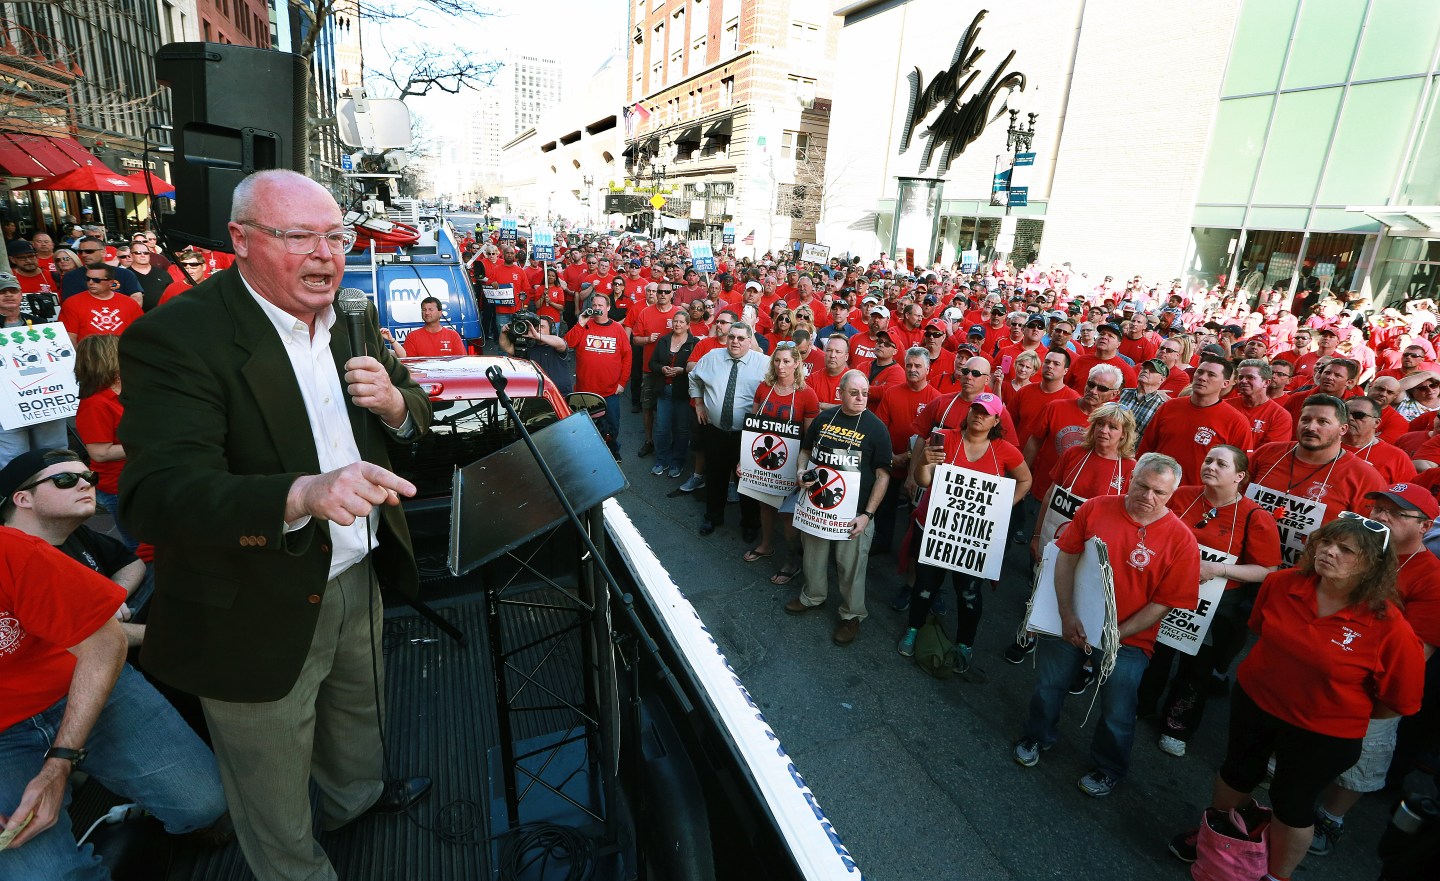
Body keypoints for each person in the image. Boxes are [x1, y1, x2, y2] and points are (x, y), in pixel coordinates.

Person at [117, 169, 435, 881]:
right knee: (272, 782)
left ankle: (358, 801)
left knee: (359, 717)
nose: (325, 254)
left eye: (334, 236)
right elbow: (156, 496)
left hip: (359, 571)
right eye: (298, 236)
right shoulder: (177, 338)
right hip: (251, 599)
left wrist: (394, 405)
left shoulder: (351, 316)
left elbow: (410, 408)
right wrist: (301, 494)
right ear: (240, 240)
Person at [0, 459, 230, 876]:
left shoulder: (11, 550)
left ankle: (120, 807)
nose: (85, 485)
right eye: (68, 479)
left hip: (77, 682)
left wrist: (59, 763)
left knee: (204, 806)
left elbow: (104, 640)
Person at [1168, 517, 1425, 881]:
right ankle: (1217, 839)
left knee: (1292, 804)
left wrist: (1334, 706)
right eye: (1326, 542)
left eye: (1346, 549)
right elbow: (1260, 629)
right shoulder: (1280, 583)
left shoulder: (1391, 627)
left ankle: (1277, 875)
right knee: (1236, 773)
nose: (1328, 552)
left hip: (1323, 732)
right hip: (1256, 702)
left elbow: (1399, 700)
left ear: (1371, 565)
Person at [1013, 453, 1200, 798]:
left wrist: (1114, 634)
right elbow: (1066, 557)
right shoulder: (1097, 507)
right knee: (1048, 685)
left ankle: (1109, 767)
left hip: (1129, 642)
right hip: (1072, 624)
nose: (1148, 497)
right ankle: (1037, 735)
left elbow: (1164, 602)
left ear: (1172, 494)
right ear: (1131, 478)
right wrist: (1067, 614)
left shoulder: (1182, 540)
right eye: (1142, 486)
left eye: (1159, 492)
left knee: (1117, 708)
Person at [1307, 484, 1440, 855]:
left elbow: (1418, 653)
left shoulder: (1432, 576)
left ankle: (1331, 818)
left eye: (1396, 514)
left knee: (1364, 758)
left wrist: (1372, 688)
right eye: (1378, 508)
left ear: (1425, 527)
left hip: (1373, 685)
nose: (1380, 516)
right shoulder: (1352, 548)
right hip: (1318, 665)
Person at [1137, 445, 1282, 757]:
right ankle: (1141, 705)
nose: (1211, 466)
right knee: (1152, 652)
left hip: (1214, 606)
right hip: (1163, 592)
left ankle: (1177, 726)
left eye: (1221, 463)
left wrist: (1217, 569)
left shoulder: (1256, 517)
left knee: (1196, 670)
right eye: (1208, 460)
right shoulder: (1180, 495)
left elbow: (1268, 570)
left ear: (1240, 476)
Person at [897, 392, 1031, 676]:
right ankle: (913, 629)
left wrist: (1004, 504)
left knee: (968, 594)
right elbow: (924, 480)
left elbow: (1025, 479)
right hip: (935, 528)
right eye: (975, 409)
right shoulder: (945, 437)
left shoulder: (1005, 450)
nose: (979, 415)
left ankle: (965, 644)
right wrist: (922, 462)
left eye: (986, 412)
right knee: (924, 585)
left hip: (973, 537)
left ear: (997, 419)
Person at [784, 370, 892, 646]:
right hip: (818, 507)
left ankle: (852, 615)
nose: (860, 398)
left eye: (865, 393)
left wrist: (867, 516)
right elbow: (806, 452)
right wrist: (799, 471)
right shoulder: (823, 418)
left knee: (851, 567)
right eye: (854, 392)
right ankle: (813, 596)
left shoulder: (876, 428)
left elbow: (883, 476)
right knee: (813, 557)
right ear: (839, 393)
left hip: (854, 513)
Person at [1, 448, 147, 646]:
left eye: (90, 477)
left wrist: (111, 596)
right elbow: (92, 639)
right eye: (65, 479)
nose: (86, 484)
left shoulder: (65, 530)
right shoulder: (18, 562)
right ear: (24, 499)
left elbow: (131, 563)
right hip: (72, 661)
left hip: (108, 632)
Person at [744, 343, 819, 580]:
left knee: (788, 515)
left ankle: (793, 558)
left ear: (797, 363)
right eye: (777, 361)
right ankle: (766, 545)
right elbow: (753, 430)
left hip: (792, 462)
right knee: (765, 504)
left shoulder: (807, 394)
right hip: (765, 461)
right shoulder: (764, 387)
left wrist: (803, 468)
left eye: (787, 361)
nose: (781, 366)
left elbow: (810, 439)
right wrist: (744, 461)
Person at [689, 321, 768, 539]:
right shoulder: (712, 357)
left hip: (747, 435)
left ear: (750, 341)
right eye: (732, 336)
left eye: (741, 338)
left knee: (747, 482)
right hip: (715, 431)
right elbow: (693, 377)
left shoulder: (764, 363)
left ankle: (750, 524)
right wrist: (698, 403)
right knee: (715, 476)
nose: (735, 341)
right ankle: (713, 517)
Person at [1138, 355, 1250, 482]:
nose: (1202, 378)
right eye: (1200, 372)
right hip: (1155, 487)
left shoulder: (1236, 422)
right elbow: (1146, 448)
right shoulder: (1170, 406)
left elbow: (1240, 470)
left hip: (1197, 496)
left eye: (1211, 375)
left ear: (1225, 383)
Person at [73, 334, 137, 551]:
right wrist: (148, 443)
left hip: (135, 476)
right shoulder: (95, 404)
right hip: (120, 485)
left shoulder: (124, 391)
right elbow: (99, 453)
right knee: (139, 544)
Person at [566, 290, 631, 459]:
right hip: (584, 389)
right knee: (585, 426)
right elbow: (569, 343)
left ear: (608, 307)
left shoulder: (617, 328)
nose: (596, 308)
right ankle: (587, 454)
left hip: (609, 391)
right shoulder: (585, 324)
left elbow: (627, 356)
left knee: (612, 426)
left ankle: (612, 452)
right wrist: (580, 323)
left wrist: (622, 382)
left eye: (600, 305)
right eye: (593, 305)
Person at [650, 309, 699, 479]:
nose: (677, 324)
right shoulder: (664, 340)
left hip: (683, 393)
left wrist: (682, 370)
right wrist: (661, 369)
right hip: (664, 391)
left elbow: (699, 368)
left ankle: (678, 461)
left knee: (681, 430)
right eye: (675, 321)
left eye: (681, 322)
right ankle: (661, 459)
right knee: (662, 428)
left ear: (687, 325)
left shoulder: (695, 343)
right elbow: (652, 363)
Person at [1341, 394, 1416, 485]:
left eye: (1359, 415)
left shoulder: (1396, 457)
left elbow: (1408, 493)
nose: (1349, 418)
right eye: (1345, 413)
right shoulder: (1324, 446)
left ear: (1376, 423)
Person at [59, 264, 144, 344]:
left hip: (121, 354)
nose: (91, 283)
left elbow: (139, 334)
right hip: (88, 356)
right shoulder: (72, 303)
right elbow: (69, 338)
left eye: (96, 280)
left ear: (111, 283)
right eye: (88, 279)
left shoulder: (129, 303)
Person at [1230, 358, 1294, 453]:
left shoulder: (1280, 416)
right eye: (1240, 377)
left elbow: (1270, 453)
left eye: (1250, 377)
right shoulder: (1226, 405)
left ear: (1266, 382)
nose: (1243, 381)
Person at [1116, 358, 1169, 440]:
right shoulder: (1122, 392)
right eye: (1144, 368)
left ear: (1161, 379)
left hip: (1135, 451)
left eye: (1152, 370)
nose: (1146, 371)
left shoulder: (1161, 407)